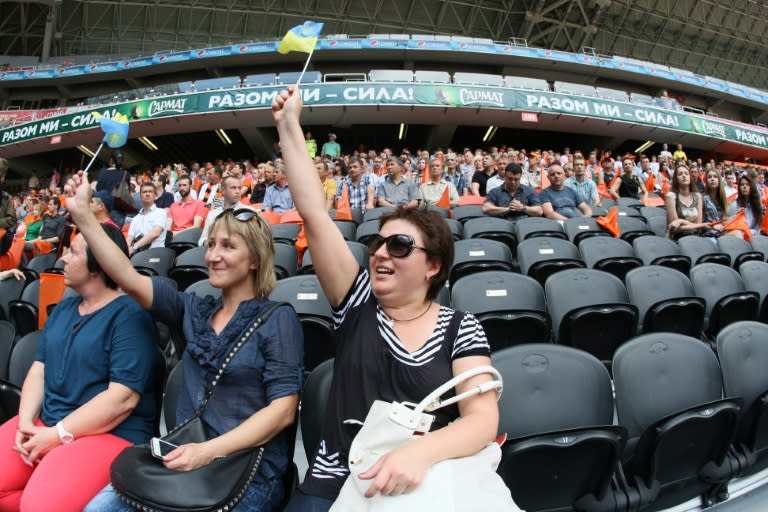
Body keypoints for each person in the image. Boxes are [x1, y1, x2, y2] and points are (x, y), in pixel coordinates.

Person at [274, 86, 500, 512]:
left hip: (425, 483)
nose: (379, 252)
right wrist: (289, 125)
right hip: (335, 482)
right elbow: (314, 213)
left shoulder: (461, 326)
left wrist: (419, 453)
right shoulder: (357, 300)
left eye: (399, 246)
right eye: (378, 243)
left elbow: (482, 420)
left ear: (432, 265)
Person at [62, 171, 304, 512]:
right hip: (182, 456)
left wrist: (206, 452)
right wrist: (85, 217)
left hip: (245, 469)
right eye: (211, 245)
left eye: (228, 246)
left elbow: (281, 413)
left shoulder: (279, 318)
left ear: (255, 260)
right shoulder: (193, 308)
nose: (212, 256)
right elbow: (127, 276)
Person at [0, 223, 160, 512]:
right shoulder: (63, 309)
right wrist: (25, 422)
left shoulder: (129, 316)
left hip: (108, 433)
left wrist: (58, 434)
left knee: (39, 507)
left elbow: (122, 399)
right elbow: (39, 368)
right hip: (48, 421)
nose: (62, 258)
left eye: (73, 252)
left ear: (97, 266)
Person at [199, 175, 251, 245]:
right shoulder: (213, 214)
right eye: (233, 188)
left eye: (239, 188)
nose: (238, 191)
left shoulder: (248, 211)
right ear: (223, 190)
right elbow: (202, 240)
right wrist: (210, 243)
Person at [664, 165, 706, 239]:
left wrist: (681, 222)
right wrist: (698, 225)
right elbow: (675, 228)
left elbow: (698, 224)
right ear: (676, 179)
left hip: (696, 235)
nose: (684, 176)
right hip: (677, 238)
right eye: (680, 174)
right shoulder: (671, 196)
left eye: (686, 174)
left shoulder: (697, 196)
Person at [126, 182, 167, 255]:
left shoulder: (161, 212)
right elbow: (130, 238)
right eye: (144, 192)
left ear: (155, 196)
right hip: (138, 254)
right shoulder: (136, 218)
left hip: (156, 254)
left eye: (150, 192)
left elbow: (155, 233)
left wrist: (135, 246)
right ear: (140, 197)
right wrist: (126, 249)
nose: (147, 194)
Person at [727, 174, 763, 238]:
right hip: (734, 236)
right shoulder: (734, 204)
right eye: (742, 184)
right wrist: (736, 217)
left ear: (751, 187)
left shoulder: (756, 206)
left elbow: (757, 228)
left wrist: (749, 232)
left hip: (750, 236)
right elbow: (727, 225)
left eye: (747, 184)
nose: (744, 186)